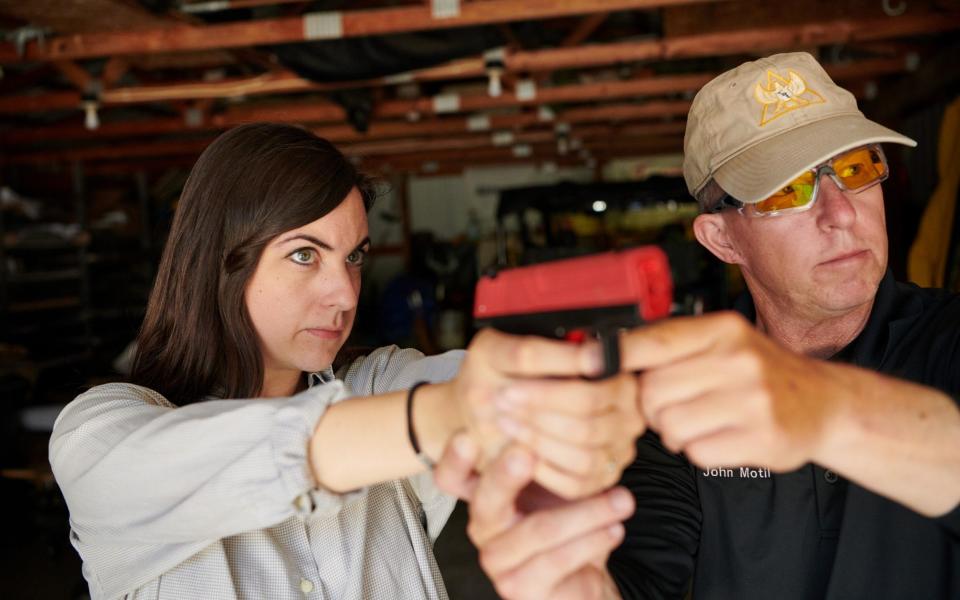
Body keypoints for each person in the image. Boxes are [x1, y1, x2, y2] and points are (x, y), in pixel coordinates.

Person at [438, 52, 960, 599]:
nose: (840, 212)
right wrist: (574, 585)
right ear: (721, 239)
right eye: (788, 190)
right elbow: (640, 573)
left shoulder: (949, 339)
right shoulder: (683, 394)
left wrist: (825, 410)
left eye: (855, 170)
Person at [47, 123, 646, 600]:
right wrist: (445, 415)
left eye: (353, 256)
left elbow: (489, 379)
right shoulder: (99, 437)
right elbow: (230, 455)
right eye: (305, 254)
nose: (345, 293)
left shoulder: (378, 388)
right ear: (218, 261)